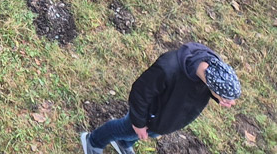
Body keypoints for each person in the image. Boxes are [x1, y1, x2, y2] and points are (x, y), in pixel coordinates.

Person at [80, 45, 242, 154]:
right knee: (125, 128)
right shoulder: (168, 68)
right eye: (226, 98)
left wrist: (217, 97)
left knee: (138, 135)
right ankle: (93, 141)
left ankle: (124, 144)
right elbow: (140, 93)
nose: (231, 104)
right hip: (149, 114)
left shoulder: (211, 68)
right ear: (213, 85)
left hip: (167, 117)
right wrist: (138, 123)